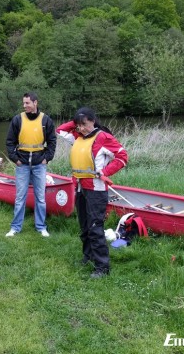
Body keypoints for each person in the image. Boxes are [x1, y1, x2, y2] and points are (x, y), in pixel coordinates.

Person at [56, 107, 128, 279]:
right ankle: (88, 257)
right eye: (78, 125)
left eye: (84, 124)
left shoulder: (102, 137)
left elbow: (122, 157)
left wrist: (106, 173)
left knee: (95, 228)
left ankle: (102, 267)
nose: (81, 128)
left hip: (96, 190)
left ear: (93, 121)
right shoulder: (77, 137)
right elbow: (59, 130)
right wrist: (76, 121)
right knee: (84, 227)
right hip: (81, 188)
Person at [5, 92, 56, 238]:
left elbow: (52, 141)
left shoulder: (45, 120)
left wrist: (47, 157)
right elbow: (10, 142)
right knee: (20, 197)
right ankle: (15, 228)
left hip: (40, 164)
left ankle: (41, 227)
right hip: (22, 164)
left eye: (27, 103)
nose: (24, 105)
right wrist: (16, 159)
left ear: (35, 103)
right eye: (24, 103)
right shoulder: (17, 120)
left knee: (40, 197)